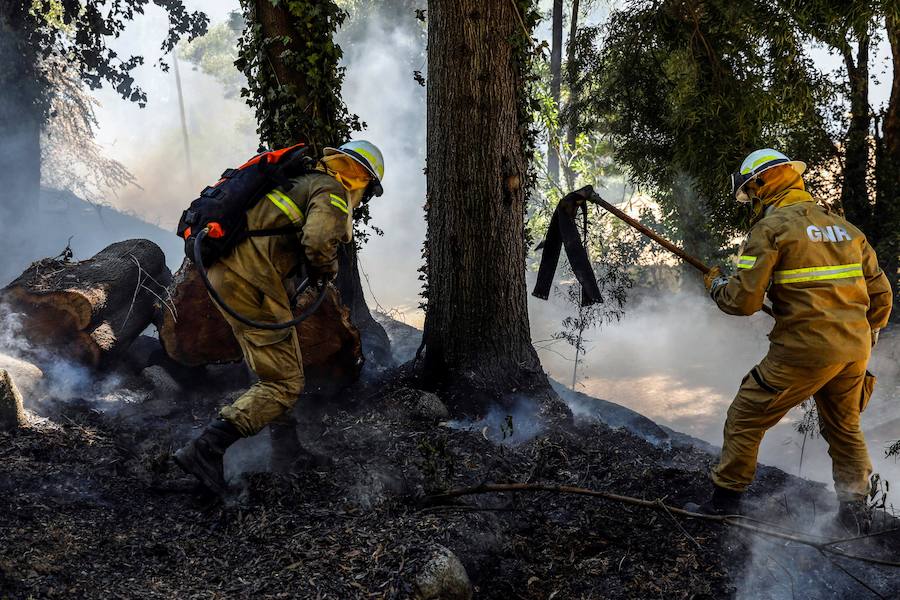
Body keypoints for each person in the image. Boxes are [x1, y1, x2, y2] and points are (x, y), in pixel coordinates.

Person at [174, 140, 385, 494]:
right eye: (367, 190)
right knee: (284, 383)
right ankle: (206, 447)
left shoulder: (299, 180)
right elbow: (318, 242)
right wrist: (324, 270)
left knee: (276, 366)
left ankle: (285, 449)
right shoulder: (332, 190)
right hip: (250, 281)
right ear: (361, 178)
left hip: (228, 273)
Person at [700, 148, 892, 531]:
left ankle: (724, 503)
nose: (751, 200)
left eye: (750, 191)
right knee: (844, 426)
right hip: (854, 349)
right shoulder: (846, 229)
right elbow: (881, 296)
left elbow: (743, 302)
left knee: (745, 416)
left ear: (761, 182)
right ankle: (853, 516)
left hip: (805, 349)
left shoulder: (771, 230)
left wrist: (718, 286)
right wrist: (861, 334)